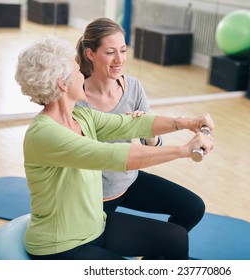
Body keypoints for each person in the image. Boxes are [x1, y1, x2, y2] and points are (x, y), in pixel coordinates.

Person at [15, 35, 214, 260]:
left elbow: (133, 123)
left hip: (96, 225)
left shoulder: (81, 115)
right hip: (62, 244)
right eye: (78, 71)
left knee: (175, 237)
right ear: (62, 83)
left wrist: (189, 123)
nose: (83, 74)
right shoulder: (45, 134)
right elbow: (114, 156)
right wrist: (184, 150)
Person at [75, 17, 205, 233]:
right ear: (91, 54)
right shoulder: (77, 98)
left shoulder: (133, 86)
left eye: (123, 50)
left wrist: (146, 126)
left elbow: (151, 144)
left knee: (193, 208)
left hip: (129, 181)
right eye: (110, 52)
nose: (119, 59)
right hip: (94, 195)